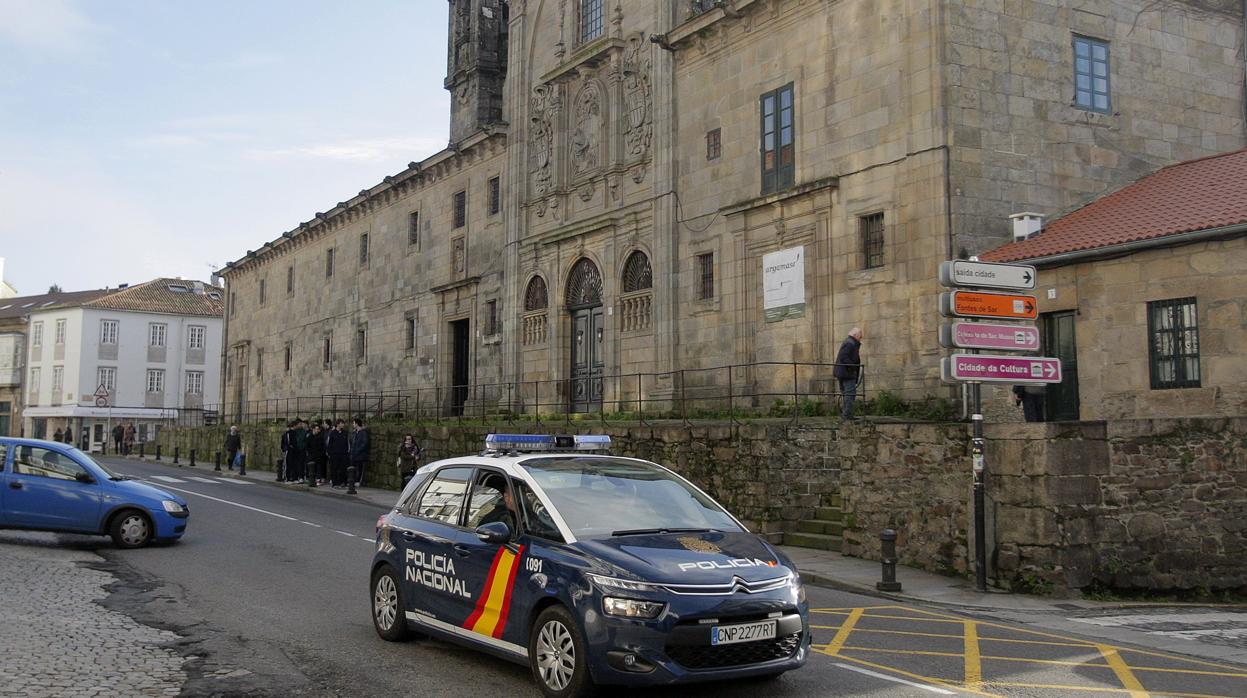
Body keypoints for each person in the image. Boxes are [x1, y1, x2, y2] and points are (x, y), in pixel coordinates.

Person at [833, 327, 864, 420]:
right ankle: (847, 415)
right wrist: (853, 366)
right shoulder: (850, 343)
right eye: (860, 336)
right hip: (847, 374)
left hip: (843, 372)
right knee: (850, 394)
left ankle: (846, 414)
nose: (860, 338)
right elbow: (843, 356)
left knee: (847, 394)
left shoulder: (849, 342)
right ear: (855, 335)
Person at [326, 419, 350, 488]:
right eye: (342, 423)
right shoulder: (332, 433)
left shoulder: (345, 433)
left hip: (343, 454)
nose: (343, 425)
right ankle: (335, 483)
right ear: (338, 424)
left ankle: (342, 482)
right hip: (334, 454)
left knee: (343, 469)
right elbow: (329, 444)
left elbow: (347, 444)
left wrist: (347, 452)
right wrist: (329, 453)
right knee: (334, 469)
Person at [350, 417, 370, 487]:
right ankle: (353, 480)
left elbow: (365, 443)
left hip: (360, 454)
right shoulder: (354, 432)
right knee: (353, 468)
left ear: (357, 424)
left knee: (360, 468)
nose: (353, 424)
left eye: (353, 423)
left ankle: (358, 481)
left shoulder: (363, 432)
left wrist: (358, 450)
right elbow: (352, 442)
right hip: (354, 454)